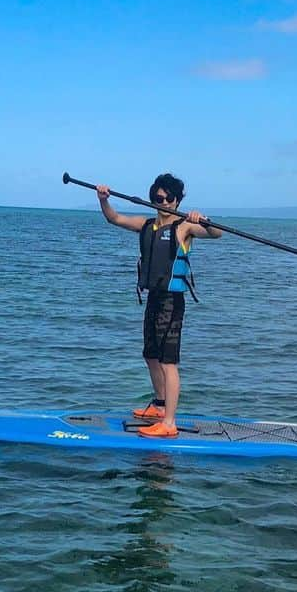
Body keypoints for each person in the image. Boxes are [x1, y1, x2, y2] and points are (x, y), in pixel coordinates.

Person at [96, 173, 222, 438]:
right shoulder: (147, 224)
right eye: (156, 198)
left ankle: (169, 423)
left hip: (171, 302)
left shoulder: (184, 227)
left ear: (177, 201)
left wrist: (205, 221)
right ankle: (159, 404)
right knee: (150, 354)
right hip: (153, 297)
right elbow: (114, 218)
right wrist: (103, 199)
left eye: (166, 198)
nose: (160, 202)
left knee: (168, 362)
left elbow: (217, 234)